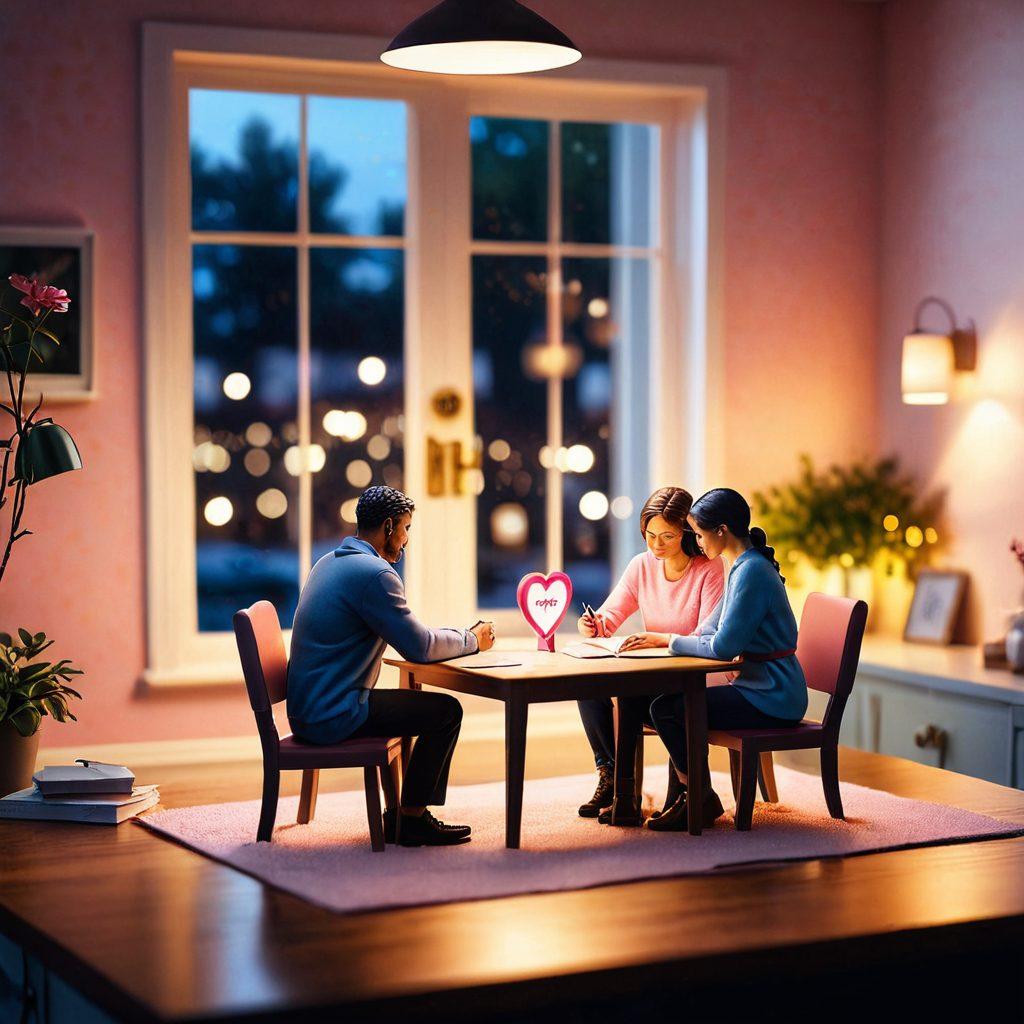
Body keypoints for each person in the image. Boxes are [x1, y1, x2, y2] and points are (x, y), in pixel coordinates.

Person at [287, 486, 495, 847]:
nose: (406, 539)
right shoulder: (374, 574)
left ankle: (405, 813)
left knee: (422, 708)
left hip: (307, 710)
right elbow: (420, 647)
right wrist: (473, 639)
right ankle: (411, 819)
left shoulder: (329, 562)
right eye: (405, 528)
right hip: (335, 713)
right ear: (388, 526)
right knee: (446, 712)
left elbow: (413, 637)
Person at [647, 487, 807, 832]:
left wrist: (671, 641)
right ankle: (693, 796)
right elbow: (710, 628)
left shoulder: (752, 572)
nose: (697, 543)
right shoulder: (741, 565)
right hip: (758, 687)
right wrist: (676, 639)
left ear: (721, 530)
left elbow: (722, 646)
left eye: (700, 534)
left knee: (669, 709)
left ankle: (697, 797)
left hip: (773, 695)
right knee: (663, 706)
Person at [574, 486, 725, 819]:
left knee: (638, 696)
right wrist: (593, 625)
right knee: (588, 685)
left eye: (667, 536)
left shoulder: (709, 568)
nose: (656, 545)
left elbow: (707, 637)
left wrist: (660, 640)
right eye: (650, 535)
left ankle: (669, 794)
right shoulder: (642, 566)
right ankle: (613, 779)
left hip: (695, 677)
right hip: (653, 676)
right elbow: (609, 617)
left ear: (688, 533)